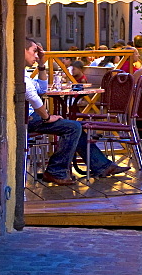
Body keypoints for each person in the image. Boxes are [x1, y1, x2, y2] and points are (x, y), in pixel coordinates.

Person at [24, 38, 128, 184]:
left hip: (31, 116)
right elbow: (34, 98)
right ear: (23, 51)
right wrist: (47, 118)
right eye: (34, 52)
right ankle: (56, 171)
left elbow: (41, 89)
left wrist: (41, 65)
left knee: (74, 126)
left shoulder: (23, 72)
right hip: (29, 118)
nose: (36, 55)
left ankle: (101, 166)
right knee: (73, 127)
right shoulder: (21, 74)